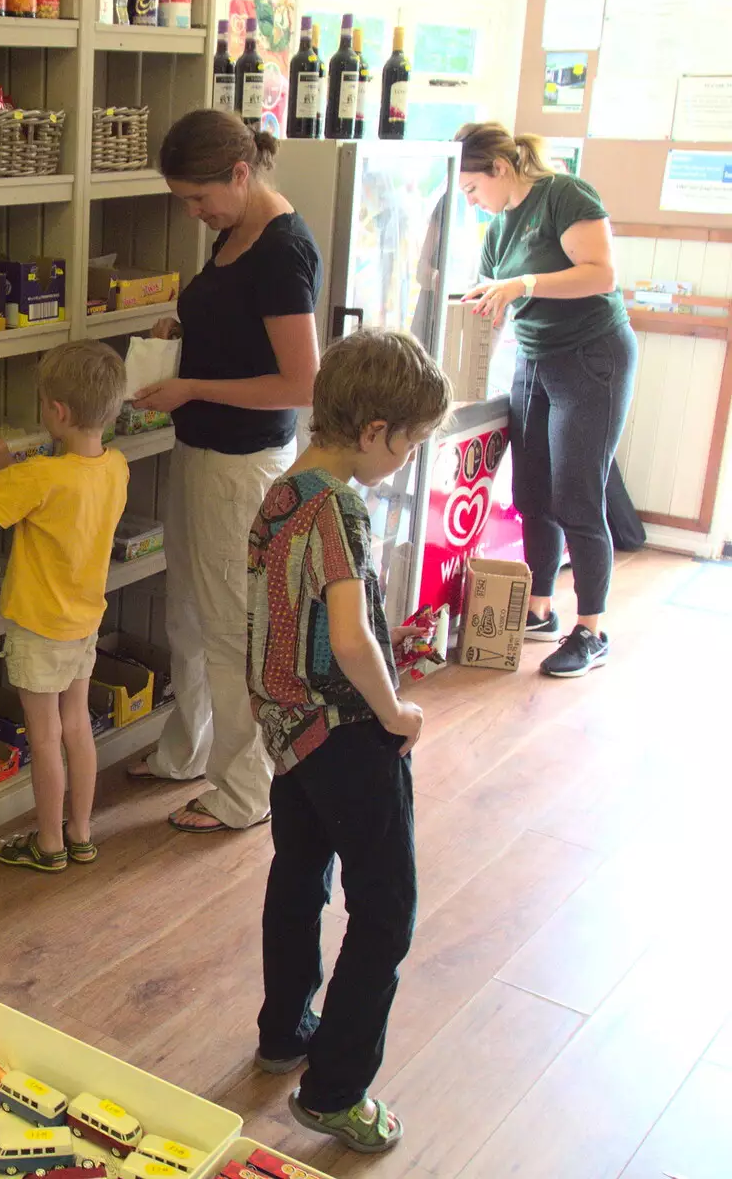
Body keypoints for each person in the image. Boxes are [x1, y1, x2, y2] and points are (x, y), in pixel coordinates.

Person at [248, 328, 450, 1154]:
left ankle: (285, 1027)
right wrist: (397, 713)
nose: (405, 458)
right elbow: (353, 637)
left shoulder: (282, 491)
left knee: (298, 873)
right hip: (343, 731)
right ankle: (336, 1091)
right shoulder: (343, 507)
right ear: (375, 431)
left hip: (285, 730)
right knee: (386, 911)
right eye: (409, 442)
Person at [126, 109, 322, 833]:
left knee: (232, 627)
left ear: (242, 174)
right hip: (202, 450)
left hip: (241, 466)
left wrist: (195, 387)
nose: (193, 211)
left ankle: (244, 791)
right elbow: (241, 336)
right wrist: (185, 335)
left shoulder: (281, 251)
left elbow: (302, 382)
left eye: (200, 197)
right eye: (184, 198)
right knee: (188, 612)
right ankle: (187, 752)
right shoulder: (235, 230)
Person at [456, 123, 635, 678]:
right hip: (534, 358)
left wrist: (524, 285)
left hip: (591, 358)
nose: (473, 203)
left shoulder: (565, 194)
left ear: (500, 169)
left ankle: (592, 630)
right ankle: (539, 611)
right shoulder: (498, 228)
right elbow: (490, 290)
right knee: (531, 492)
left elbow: (602, 274)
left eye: (471, 190)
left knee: (577, 494)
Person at [0, 340, 129, 872]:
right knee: (77, 726)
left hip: (37, 627)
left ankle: (47, 843)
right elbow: (50, 496)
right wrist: (7, 463)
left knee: (45, 735)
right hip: (84, 622)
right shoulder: (114, 467)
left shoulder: (42, 477)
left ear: (56, 412)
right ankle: (80, 832)